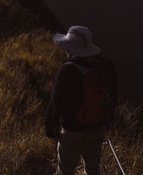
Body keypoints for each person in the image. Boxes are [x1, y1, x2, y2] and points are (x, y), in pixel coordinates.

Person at [46, 26, 118, 175]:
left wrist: (50, 129)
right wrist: (107, 120)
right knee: (92, 169)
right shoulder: (106, 66)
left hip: (72, 131)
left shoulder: (67, 70)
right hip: (98, 127)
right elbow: (113, 95)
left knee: (65, 171)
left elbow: (55, 103)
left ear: (70, 48)